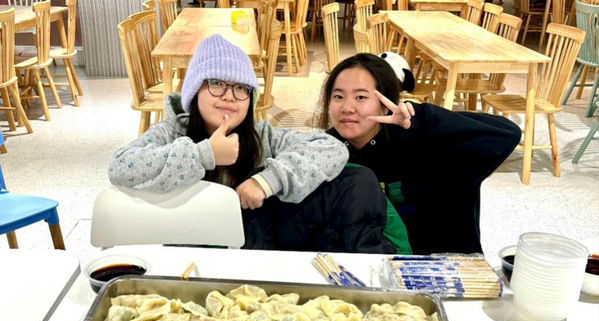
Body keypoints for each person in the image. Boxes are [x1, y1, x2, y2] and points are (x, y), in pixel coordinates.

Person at [108, 35, 405, 253]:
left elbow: (331, 149)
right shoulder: (174, 132)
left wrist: (266, 181)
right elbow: (120, 167)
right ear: (195, 90)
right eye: (216, 84)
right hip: (192, 253)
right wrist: (203, 155)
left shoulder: (262, 136)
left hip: (254, 256)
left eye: (241, 88)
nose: (228, 95)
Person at [316, 53, 522, 255]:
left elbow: (506, 135)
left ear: (385, 103)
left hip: (442, 264)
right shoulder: (326, 151)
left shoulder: (424, 139)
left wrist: (423, 119)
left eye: (360, 97)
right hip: (371, 264)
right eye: (338, 96)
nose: (347, 108)